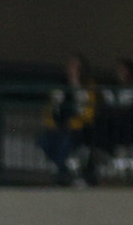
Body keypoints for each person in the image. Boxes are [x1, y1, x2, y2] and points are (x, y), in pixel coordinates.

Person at [40, 56, 96, 184]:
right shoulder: (60, 86)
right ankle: (64, 170)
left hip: (79, 127)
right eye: (72, 66)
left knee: (67, 142)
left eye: (77, 67)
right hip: (59, 126)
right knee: (44, 142)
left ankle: (63, 173)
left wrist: (77, 85)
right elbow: (51, 108)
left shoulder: (88, 86)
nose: (74, 70)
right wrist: (53, 123)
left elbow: (88, 111)